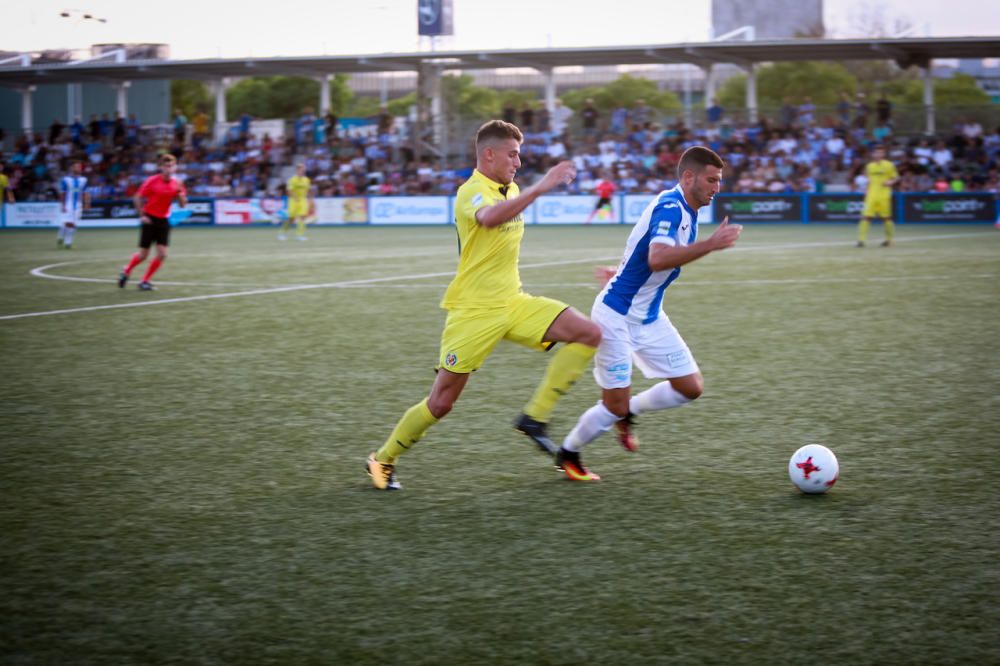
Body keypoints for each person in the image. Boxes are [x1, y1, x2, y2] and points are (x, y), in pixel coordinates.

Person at [365, 119, 602, 490]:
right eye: (512, 154)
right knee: (441, 403)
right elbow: (489, 218)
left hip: (514, 301)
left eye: (519, 155)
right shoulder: (470, 191)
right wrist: (543, 187)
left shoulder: (512, 188)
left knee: (588, 333)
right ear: (488, 154)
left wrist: (530, 189)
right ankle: (382, 458)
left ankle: (534, 419)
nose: (518, 162)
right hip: (473, 312)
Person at [555, 147, 742, 481]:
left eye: (719, 181)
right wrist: (711, 245)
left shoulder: (685, 208)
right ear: (688, 177)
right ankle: (568, 452)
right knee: (612, 405)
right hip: (615, 317)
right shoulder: (672, 207)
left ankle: (630, 412)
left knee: (690, 387)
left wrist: (622, 269)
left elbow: (642, 253)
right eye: (711, 180)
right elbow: (657, 258)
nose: (717, 188)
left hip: (649, 316)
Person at [118, 154, 187, 291]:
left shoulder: (177, 183)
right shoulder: (152, 181)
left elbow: (182, 205)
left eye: (171, 166)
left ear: (175, 167)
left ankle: (144, 281)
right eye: (166, 166)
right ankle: (127, 270)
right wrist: (142, 215)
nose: (169, 168)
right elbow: (137, 197)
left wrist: (180, 195)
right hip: (149, 219)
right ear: (161, 167)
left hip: (163, 220)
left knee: (162, 254)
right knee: (143, 255)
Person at [856, 144, 899, 247]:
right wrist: (866, 192)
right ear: (873, 154)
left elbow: (896, 178)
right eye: (877, 152)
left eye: (881, 152)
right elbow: (868, 181)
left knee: (886, 218)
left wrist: (890, 182)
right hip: (871, 195)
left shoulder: (889, 165)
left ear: (884, 154)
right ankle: (861, 241)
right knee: (865, 217)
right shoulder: (869, 166)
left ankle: (889, 240)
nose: (879, 154)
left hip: (884, 195)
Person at [56, 161, 89, 249]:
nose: (78, 168)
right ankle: (65, 239)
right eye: (76, 167)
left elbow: (85, 193)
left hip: (78, 204)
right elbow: (62, 193)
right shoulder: (66, 179)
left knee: (74, 223)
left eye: (79, 167)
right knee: (68, 222)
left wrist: (86, 203)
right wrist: (62, 205)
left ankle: (66, 239)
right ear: (72, 168)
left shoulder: (84, 180)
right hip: (68, 204)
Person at [279, 163, 313, 241]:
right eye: (301, 169)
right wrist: (295, 198)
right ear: (297, 170)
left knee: (302, 217)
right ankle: (282, 232)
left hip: (302, 200)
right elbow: (289, 190)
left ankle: (299, 235)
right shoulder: (292, 180)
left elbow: (308, 190)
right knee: (291, 218)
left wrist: (310, 198)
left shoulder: (306, 180)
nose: (303, 171)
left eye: (303, 170)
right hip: (293, 201)